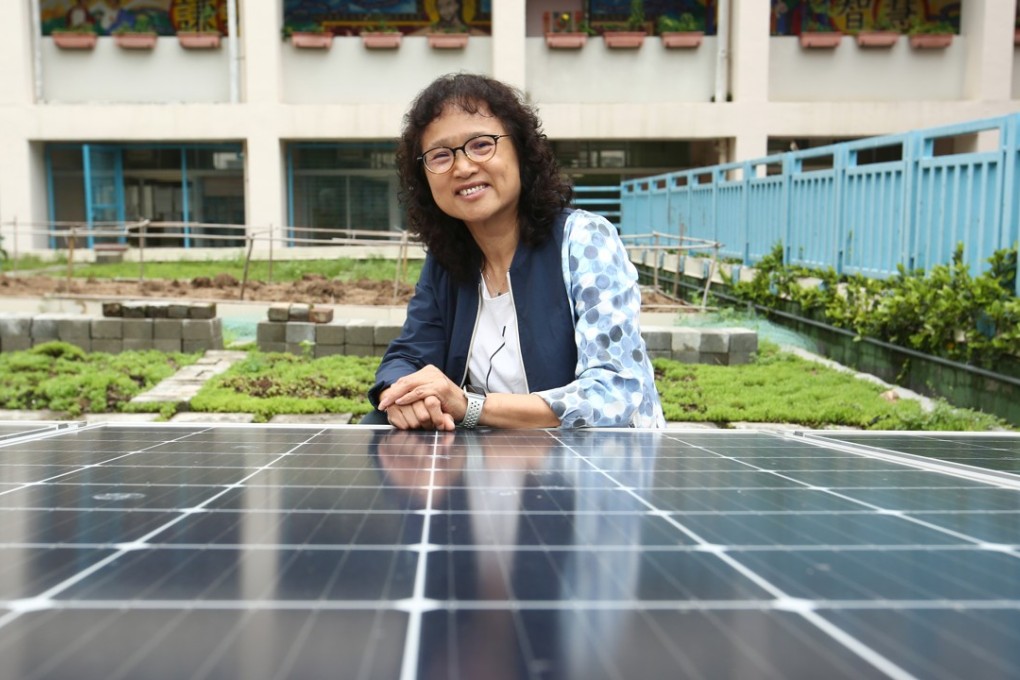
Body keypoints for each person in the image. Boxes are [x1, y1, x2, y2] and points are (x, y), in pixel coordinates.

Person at [365, 73, 665, 431]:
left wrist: (469, 406)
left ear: (521, 151)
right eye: (440, 155)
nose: (462, 167)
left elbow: (614, 391)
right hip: (494, 467)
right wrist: (404, 396)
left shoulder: (584, 240)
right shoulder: (448, 261)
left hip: (600, 469)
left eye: (481, 145)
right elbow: (409, 354)